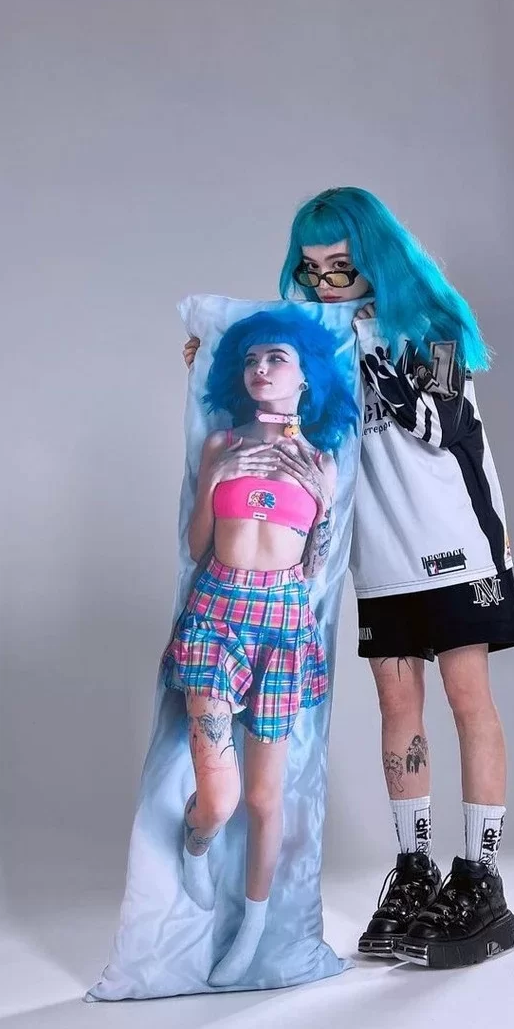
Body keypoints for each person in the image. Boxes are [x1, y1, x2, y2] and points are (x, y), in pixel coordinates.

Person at [184, 187, 514, 970]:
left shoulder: (431, 327)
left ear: (375, 257)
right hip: (378, 556)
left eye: (340, 267)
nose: (326, 284)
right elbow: (272, 397)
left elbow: (438, 422)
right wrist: (212, 355)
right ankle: (414, 867)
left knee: (467, 698)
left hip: (456, 545)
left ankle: (481, 874)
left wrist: (363, 350)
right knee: (397, 705)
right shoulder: (321, 339)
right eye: (312, 272)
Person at [167, 306, 357, 986]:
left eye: (276, 358)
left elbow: (316, 569)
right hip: (217, 612)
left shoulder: (322, 461)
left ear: (307, 376)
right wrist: (218, 477)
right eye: (250, 359)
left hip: (282, 622)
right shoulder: (221, 444)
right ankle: (195, 840)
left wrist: (318, 498)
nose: (260, 369)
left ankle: (251, 927)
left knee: (265, 798)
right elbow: (195, 546)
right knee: (220, 798)